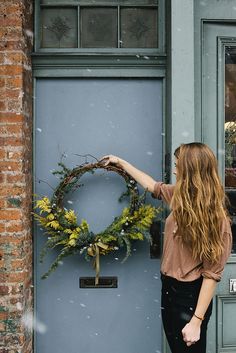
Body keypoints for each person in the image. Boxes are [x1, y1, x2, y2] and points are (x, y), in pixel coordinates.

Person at [100, 142, 232, 353]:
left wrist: (196, 321)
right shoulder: (181, 198)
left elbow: (211, 275)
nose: (174, 169)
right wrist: (121, 163)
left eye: (178, 165)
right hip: (169, 288)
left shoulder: (216, 219)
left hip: (190, 295)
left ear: (190, 170)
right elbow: (153, 186)